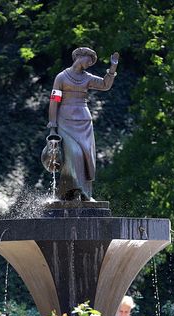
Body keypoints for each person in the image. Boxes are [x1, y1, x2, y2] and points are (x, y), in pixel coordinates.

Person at [47, 47, 119, 201]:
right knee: (73, 154)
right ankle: (69, 192)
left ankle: (86, 194)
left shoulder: (88, 77)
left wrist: (112, 67)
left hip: (84, 122)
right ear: (80, 56)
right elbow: (54, 101)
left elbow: (105, 85)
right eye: (89, 59)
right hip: (65, 121)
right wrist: (52, 125)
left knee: (87, 156)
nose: (90, 63)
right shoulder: (61, 77)